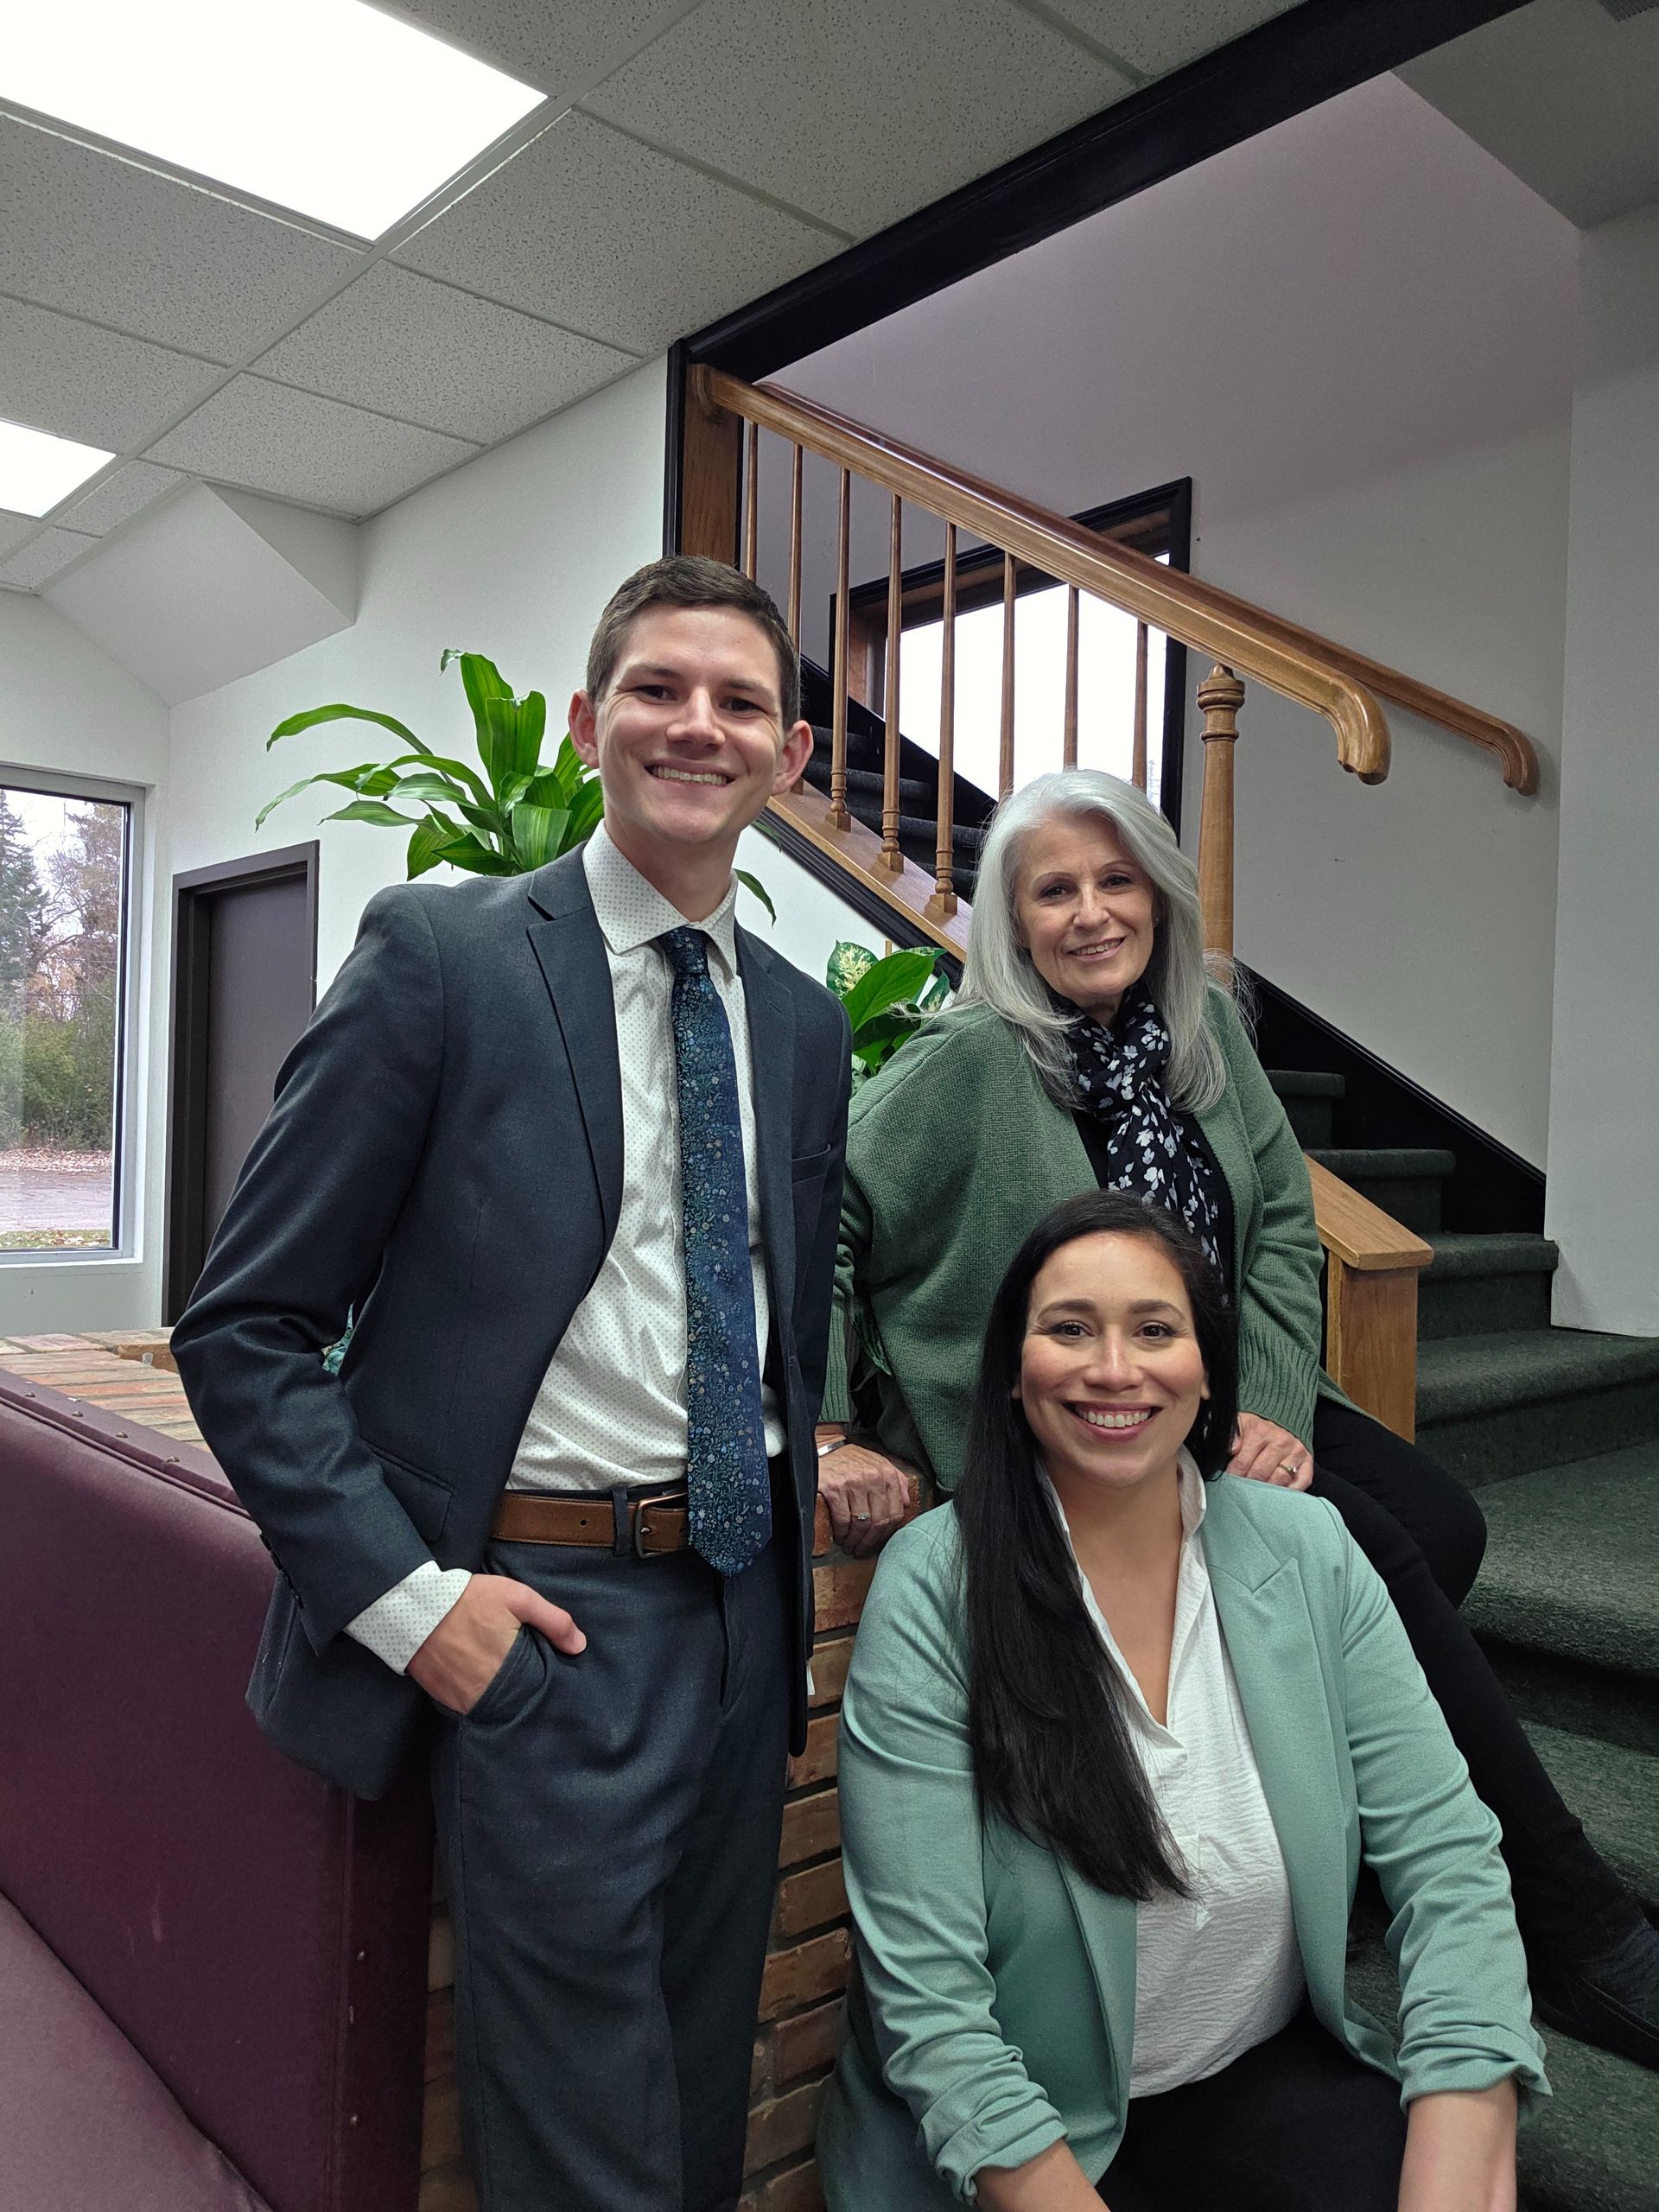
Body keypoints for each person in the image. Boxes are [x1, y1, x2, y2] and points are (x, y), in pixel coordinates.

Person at [171, 556, 851, 2212]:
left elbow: (771, 1313)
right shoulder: (446, 957)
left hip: (741, 1625)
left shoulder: (801, 1023)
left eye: (741, 702)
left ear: (795, 758)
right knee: (572, 2156)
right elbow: (244, 1326)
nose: (700, 725)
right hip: (543, 1628)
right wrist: (413, 1604)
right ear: (587, 721)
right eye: (660, 689)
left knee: (693, 2104)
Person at [815, 768, 1659, 2070]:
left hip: (1200, 1393)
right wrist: (825, 1430)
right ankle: (1576, 1927)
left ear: (1160, 894)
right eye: (1055, 891)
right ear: (1010, 922)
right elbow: (822, 1225)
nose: (1093, 913)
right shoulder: (968, 1063)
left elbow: (1271, 1228)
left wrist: (1268, 1408)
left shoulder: (1203, 1024)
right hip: (1063, 1413)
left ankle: (1319, 1829)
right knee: (1363, 1552)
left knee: (1439, 1521)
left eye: (1117, 881)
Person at [817, 1190, 1547, 2212]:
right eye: (1069, 1328)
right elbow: (932, 2006)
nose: (1114, 1368)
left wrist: (1467, 2096)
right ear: (1013, 1372)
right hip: (1019, 2136)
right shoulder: (937, 1586)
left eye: (1156, 1330)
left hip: (1258, 2079)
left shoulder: (1309, 1550)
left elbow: (1447, 1856)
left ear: (1208, 1371)